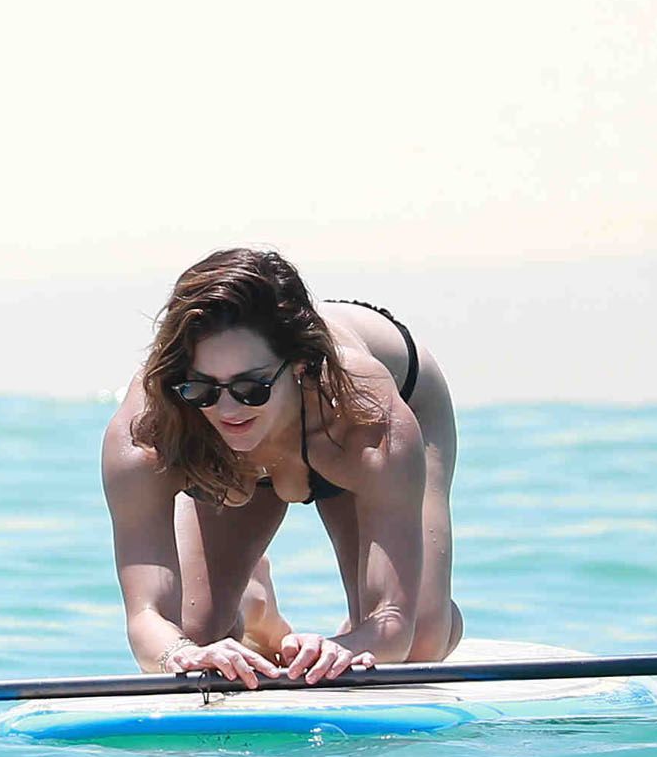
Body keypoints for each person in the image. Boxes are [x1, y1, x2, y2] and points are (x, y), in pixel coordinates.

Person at [100, 247, 461, 686]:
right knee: (195, 635)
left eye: (251, 388)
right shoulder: (148, 430)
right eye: (202, 389)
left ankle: (429, 610)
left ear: (301, 364)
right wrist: (181, 653)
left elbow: (393, 623)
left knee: (420, 644)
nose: (228, 409)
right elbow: (146, 618)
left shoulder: (369, 419)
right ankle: (253, 602)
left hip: (361, 415)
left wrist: (342, 648)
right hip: (231, 454)